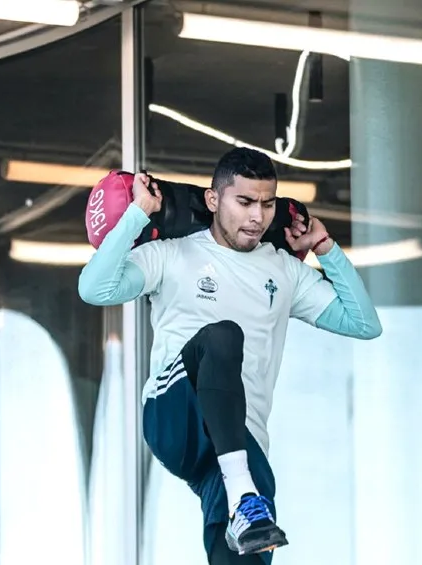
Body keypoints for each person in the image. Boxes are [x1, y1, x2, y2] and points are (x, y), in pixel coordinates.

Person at [77, 147, 381, 564]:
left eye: (267, 203)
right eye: (245, 202)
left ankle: (241, 500)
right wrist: (136, 215)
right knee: (222, 338)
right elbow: (94, 288)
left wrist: (325, 248)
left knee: (250, 542)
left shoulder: (284, 271)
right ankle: (241, 493)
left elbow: (363, 323)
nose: (258, 216)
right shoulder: (172, 254)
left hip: (239, 441)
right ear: (214, 200)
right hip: (174, 414)